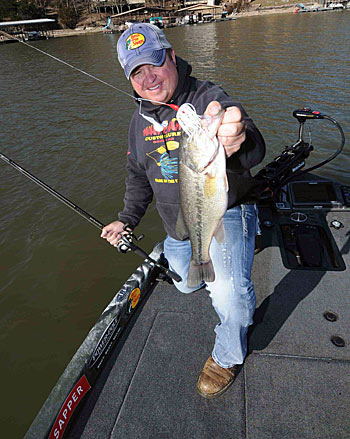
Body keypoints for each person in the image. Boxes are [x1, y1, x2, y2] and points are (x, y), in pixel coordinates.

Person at [101, 23, 265, 398]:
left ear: (172, 57)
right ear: (130, 79)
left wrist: (238, 139)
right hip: (180, 225)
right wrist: (126, 219)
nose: (149, 77)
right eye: (136, 72)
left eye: (154, 63)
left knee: (229, 295)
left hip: (227, 210)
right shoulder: (137, 123)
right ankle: (199, 263)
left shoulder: (206, 97)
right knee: (186, 281)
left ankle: (227, 355)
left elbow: (250, 140)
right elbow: (137, 178)